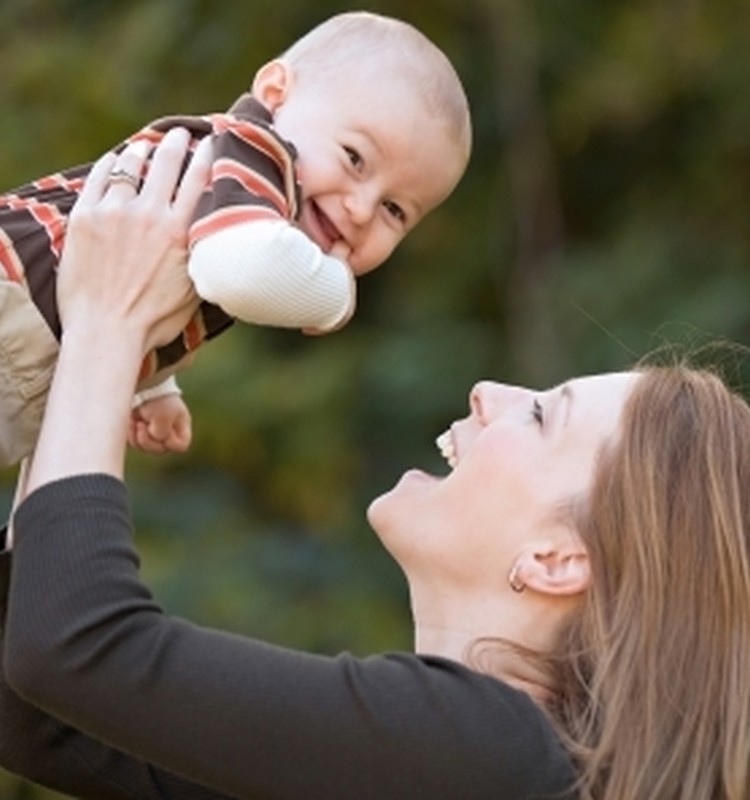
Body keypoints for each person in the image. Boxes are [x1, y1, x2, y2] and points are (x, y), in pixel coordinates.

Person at [1, 146, 749, 800]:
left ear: (559, 559)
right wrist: (78, 363)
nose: (491, 394)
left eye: (542, 415)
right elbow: (38, 715)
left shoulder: (496, 760)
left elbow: (75, 648)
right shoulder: (487, 768)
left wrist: (105, 319)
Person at [0, 10, 471, 466]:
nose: (361, 209)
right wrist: (337, 294)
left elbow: (163, 279)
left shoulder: (239, 201)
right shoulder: (254, 152)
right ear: (275, 93)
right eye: (354, 158)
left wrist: (151, 384)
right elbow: (238, 273)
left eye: (394, 210)